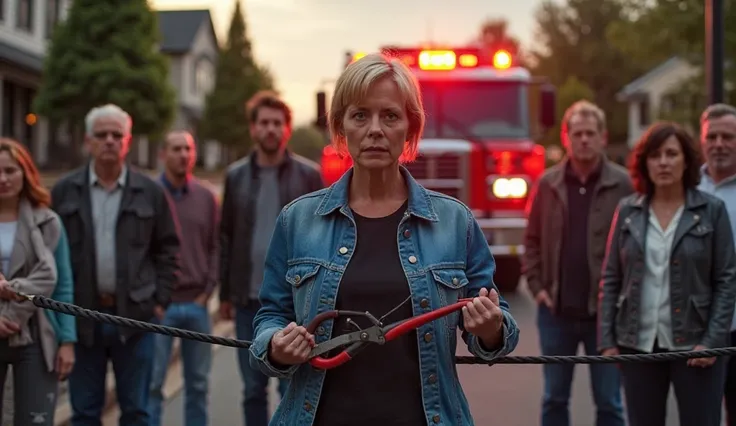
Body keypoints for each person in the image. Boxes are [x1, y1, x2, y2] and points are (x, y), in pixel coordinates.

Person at [248, 52, 520, 425]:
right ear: (342, 126)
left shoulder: (456, 222)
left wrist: (490, 330)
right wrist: (277, 347)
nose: (375, 129)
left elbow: (495, 334)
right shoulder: (297, 220)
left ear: (410, 127)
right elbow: (270, 318)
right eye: (360, 115)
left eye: (390, 116)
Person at [598, 121, 736, 426]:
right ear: (644, 162)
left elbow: (727, 281)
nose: (663, 162)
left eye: (672, 154)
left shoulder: (711, 210)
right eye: (655, 155)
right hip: (638, 344)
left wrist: (712, 340)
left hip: (697, 345)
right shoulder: (628, 211)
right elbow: (611, 279)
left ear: (686, 160)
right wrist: (607, 339)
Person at [51, 104, 180, 426]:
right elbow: (50, 252)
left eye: (116, 135)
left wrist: (159, 300)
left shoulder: (150, 192)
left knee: (137, 412)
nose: (109, 140)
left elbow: (168, 249)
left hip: (136, 320)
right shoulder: (65, 191)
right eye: (101, 135)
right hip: (81, 319)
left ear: (127, 142)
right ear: (88, 141)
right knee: (84, 413)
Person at [522, 100, 631, 426]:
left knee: (610, 402)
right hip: (556, 312)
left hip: (606, 316)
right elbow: (531, 242)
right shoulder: (547, 184)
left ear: (603, 137)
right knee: (555, 399)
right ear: (566, 137)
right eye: (577, 133)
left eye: (590, 133)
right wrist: (537, 287)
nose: (584, 139)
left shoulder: (624, 184)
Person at [218, 90, 323, 426]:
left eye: (277, 123)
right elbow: (227, 237)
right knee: (252, 388)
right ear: (253, 129)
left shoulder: (308, 176)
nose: (270, 129)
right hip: (248, 300)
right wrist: (224, 294)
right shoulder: (235, 177)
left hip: (294, 302)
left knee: (290, 386)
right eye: (264, 123)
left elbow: (321, 236)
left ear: (287, 129)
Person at [148, 131, 219, 426]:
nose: (183, 155)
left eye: (188, 149)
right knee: (152, 386)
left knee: (198, 385)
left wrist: (207, 291)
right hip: (158, 308)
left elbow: (216, 247)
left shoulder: (206, 197)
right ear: (163, 154)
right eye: (176, 149)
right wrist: (152, 297)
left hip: (196, 304)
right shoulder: (148, 193)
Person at [0, 138, 72, 426]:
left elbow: (62, 283)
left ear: (25, 173)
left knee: (35, 420)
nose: (2, 179)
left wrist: (67, 340)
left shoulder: (48, 222)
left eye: (10, 170)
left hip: (38, 335)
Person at [695, 104, 736, 426]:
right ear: (702, 141)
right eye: (714, 136)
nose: (720, 143)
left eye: (729, 137)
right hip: (700, 328)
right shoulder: (687, 189)